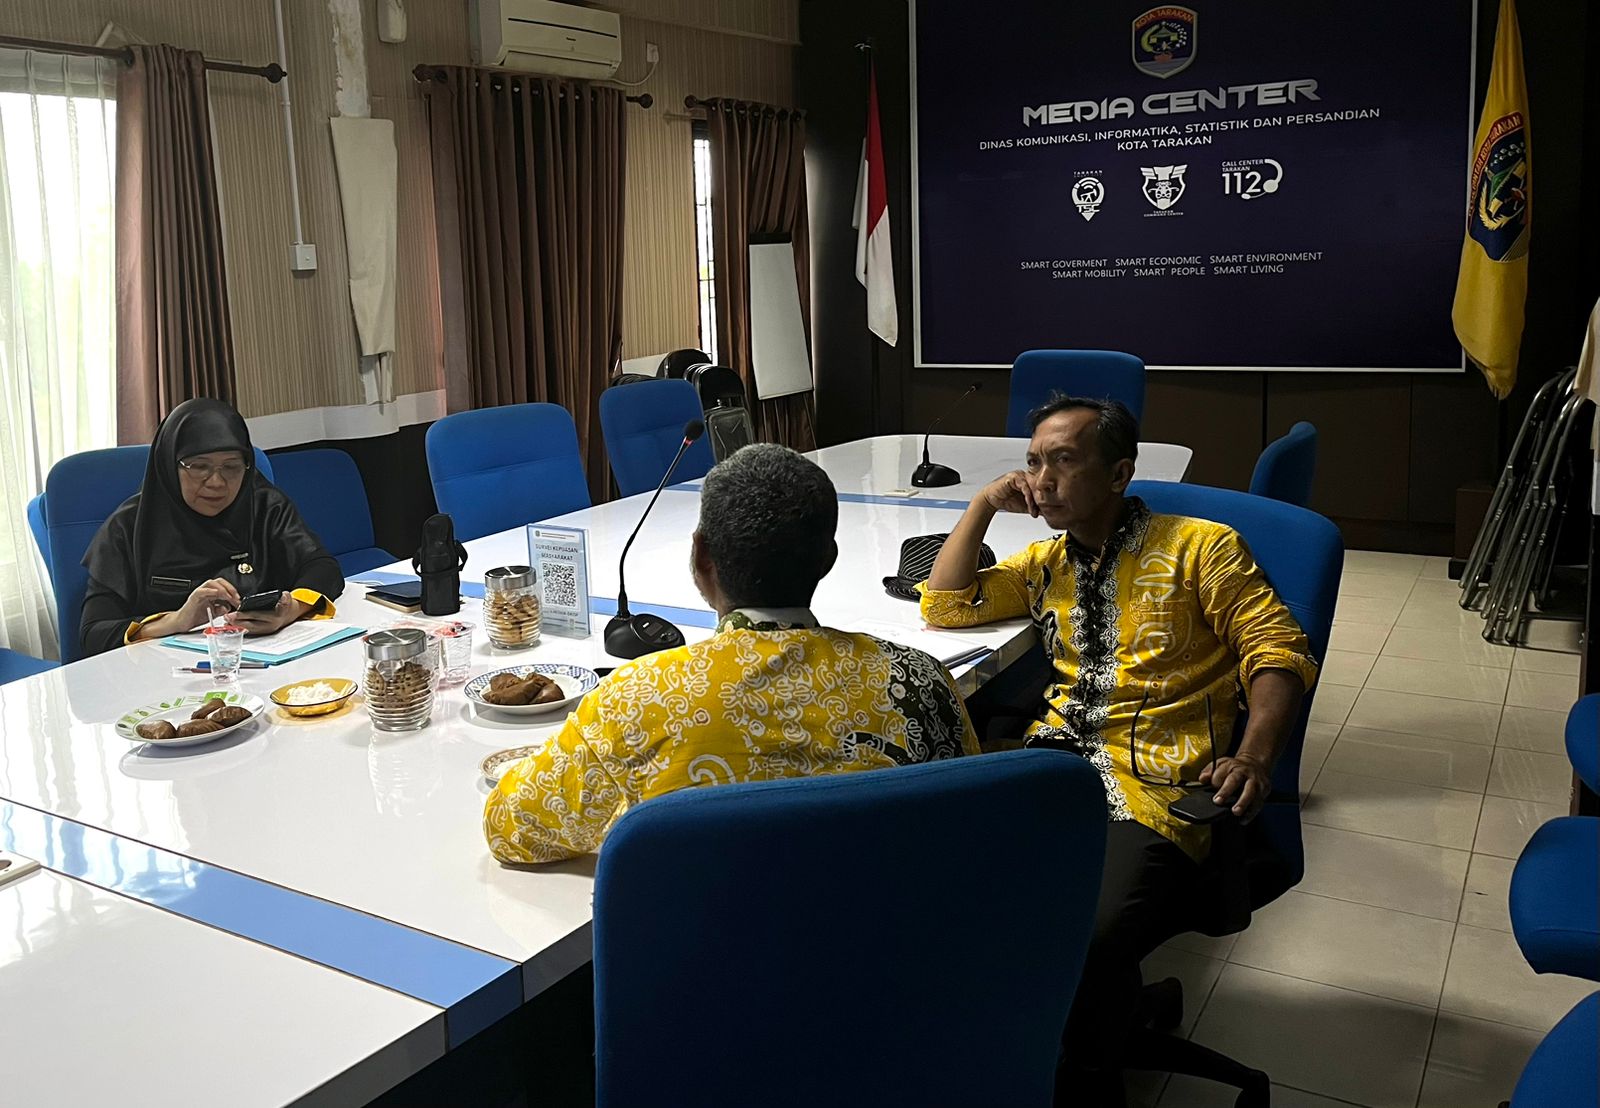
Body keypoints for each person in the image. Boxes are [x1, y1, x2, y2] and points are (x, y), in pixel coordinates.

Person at [919, 395, 1318, 1104]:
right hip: (1050, 767)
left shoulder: (1202, 548)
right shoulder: (1045, 562)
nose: (1042, 480)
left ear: (1118, 473)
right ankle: (1039, 1028)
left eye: (1063, 462)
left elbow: (1278, 651)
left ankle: (1088, 1075)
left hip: (1159, 784)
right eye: (1033, 463)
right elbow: (946, 604)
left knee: (1092, 932)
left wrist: (1255, 757)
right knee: (939, 877)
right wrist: (982, 503)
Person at [485, 443, 980, 864]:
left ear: (701, 557)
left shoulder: (632, 702)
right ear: (828, 560)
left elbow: (509, 829)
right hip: (890, 942)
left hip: (705, 949)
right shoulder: (922, 680)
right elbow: (967, 831)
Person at [80, 398, 344, 657]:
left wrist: (291, 609)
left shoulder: (264, 505)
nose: (217, 482)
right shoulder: (128, 528)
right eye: (199, 467)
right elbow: (94, 634)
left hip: (262, 659)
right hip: (162, 670)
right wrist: (177, 620)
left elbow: (322, 567)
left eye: (231, 467)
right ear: (170, 464)